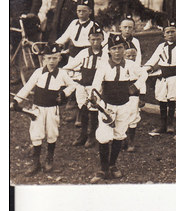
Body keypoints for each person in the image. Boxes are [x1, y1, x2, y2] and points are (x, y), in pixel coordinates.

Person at [12, 42, 77, 175]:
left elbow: (72, 85)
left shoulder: (62, 74)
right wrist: (16, 100)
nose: (51, 61)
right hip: (38, 109)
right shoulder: (38, 72)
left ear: (59, 58)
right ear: (43, 59)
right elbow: (27, 87)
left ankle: (49, 159)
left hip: (52, 109)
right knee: (36, 133)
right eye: (48, 58)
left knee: (52, 133)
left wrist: (63, 94)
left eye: (54, 58)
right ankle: (36, 162)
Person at [90, 37, 146, 182]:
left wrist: (135, 86)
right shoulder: (103, 66)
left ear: (124, 49)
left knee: (119, 134)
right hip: (107, 105)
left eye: (120, 48)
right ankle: (103, 168)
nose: (117, 52)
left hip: (124, 104)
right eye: (114, 48)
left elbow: (144, 74)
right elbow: (96, 85)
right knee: (104, 136)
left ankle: (112, 165)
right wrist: (95, 97)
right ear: (109, 50)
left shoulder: (130, 64)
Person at [64, 25, 106, 148]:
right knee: (83, 108)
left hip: (96, 88)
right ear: (89, 40)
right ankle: (82, 135)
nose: (95, 42)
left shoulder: (105, 55)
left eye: (98, 39)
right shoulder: (83, 53)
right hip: (83, 85)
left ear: (102, 39)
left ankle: (92, 135)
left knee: (93, 110)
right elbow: (70, 66)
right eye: (93, 39)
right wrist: (71, 76)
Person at [145, 22, 176, 135]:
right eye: (167, 32)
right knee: (162, 99)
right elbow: (153, 59)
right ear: (164, 35)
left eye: (172, 31)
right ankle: (162, 124)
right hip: (162, 76)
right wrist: (145, 69)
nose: (170, 34)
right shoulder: (161, 47)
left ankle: (170, 124)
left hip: (174, 76)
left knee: (171, 100)